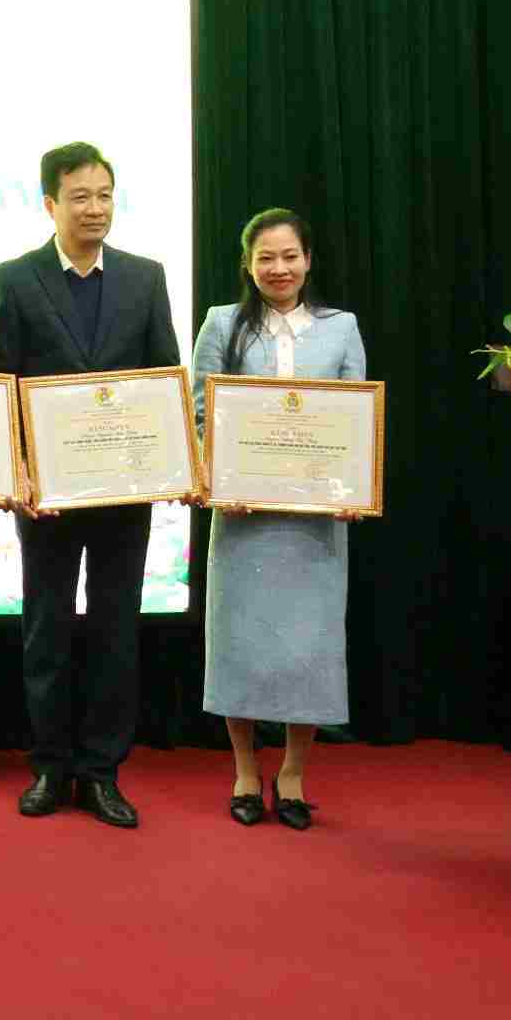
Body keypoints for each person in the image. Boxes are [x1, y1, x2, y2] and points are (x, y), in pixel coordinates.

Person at [0, 140, 183, 830]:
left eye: (104, 194)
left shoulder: (145, 276)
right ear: (51, 202)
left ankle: (102, 771)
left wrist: (173, 464)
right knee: (45, 626)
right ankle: (49, 766)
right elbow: (1, 383)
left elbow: (164, 373)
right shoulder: (14, 277)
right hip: (47, 491)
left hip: (124, 490)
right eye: (80, 196)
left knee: (114, 629)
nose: (94, 207)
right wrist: (17, 468)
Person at [192, 208, 367, 832]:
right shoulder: (221, 325)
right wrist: (220, 478)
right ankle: (244, 769)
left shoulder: (341, 328)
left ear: (308, 259)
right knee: (240, 641)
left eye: (289, 255)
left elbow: (357, 423)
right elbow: (202, 414)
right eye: (266, 257)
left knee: (309, 645)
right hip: (242, 517)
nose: (279, 268)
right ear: (248, 264)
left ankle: (292, 772)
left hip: (317, 520)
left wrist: (356, 486)